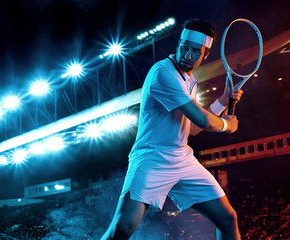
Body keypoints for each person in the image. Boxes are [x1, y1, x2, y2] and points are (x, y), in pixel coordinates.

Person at [101, 19, 243, 240]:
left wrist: (224, 100)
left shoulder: (190, 79)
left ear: (205, 55)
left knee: (228, 219)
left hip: (182, 159)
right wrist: (227, 125)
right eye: (184, 47)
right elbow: (205, 121)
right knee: (122, 229)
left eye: (195, 51)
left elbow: (193, 129)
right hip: (151, 158)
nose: (187, 54)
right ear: (178, 44)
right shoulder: (162, 73)